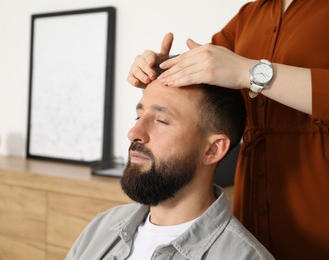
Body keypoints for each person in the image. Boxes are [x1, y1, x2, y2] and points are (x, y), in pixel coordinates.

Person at [126, 1, 329, 259]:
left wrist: (250, 72)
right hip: (253, 200)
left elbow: (237, 70)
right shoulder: (250, 15)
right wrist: (162, 69)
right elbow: (211, 92)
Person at [66, 57, 274, 260]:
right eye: (139, 116)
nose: (134, 132)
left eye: (161, 120)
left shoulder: (243, 256)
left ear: (212, 149)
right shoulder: (102, 227)